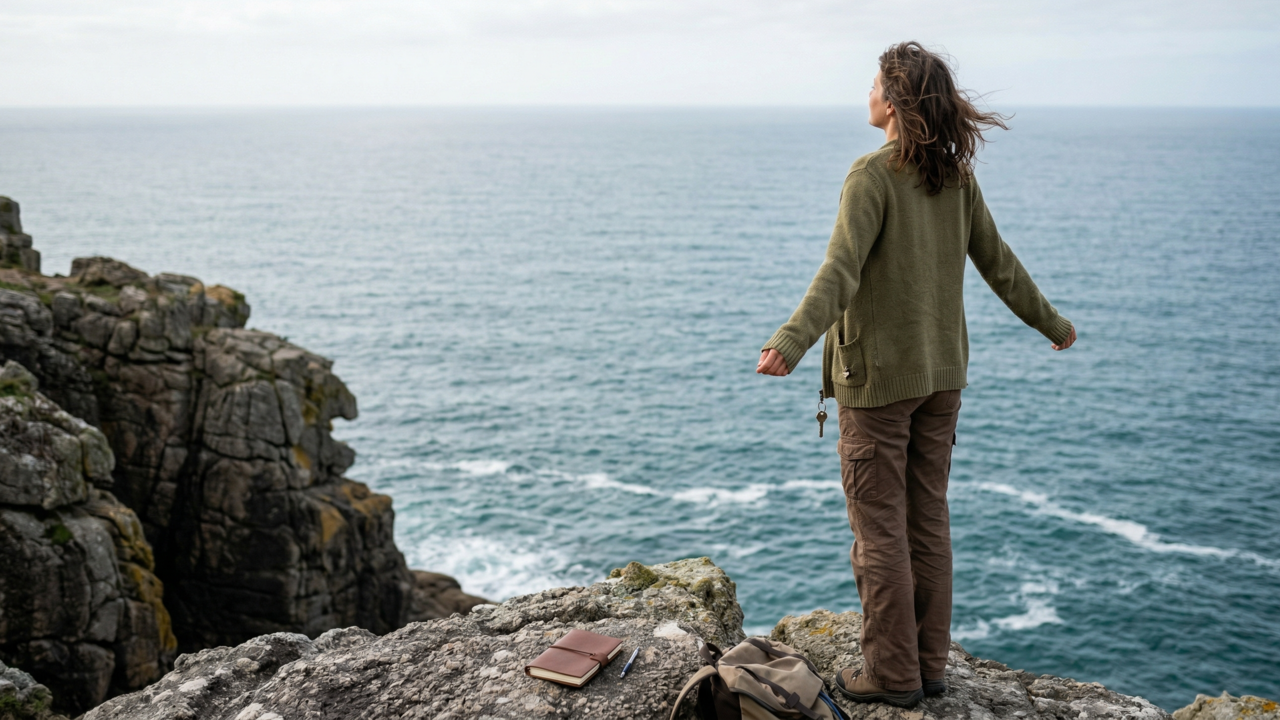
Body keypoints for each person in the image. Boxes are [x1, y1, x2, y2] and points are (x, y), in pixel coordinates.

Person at [756, 41, 1077, 708]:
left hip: (878, 385)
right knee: (927, 522)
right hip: (942, 380)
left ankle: (893, 675)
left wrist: (790, 341)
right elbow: (1002, 264)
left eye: (875, 83)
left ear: (895, 102)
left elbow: (840, 272)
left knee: (879, 535)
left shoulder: (871, 176)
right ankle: (929, 666)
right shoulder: (956, 178)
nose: (866, 93)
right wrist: (1053, 324)